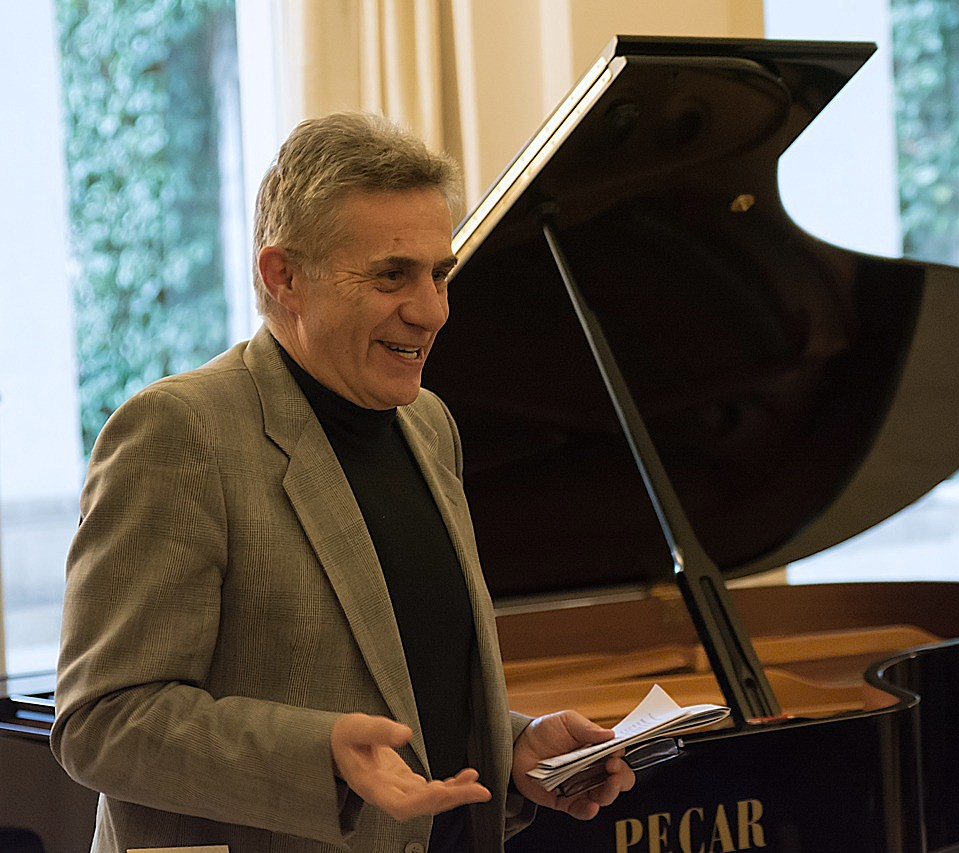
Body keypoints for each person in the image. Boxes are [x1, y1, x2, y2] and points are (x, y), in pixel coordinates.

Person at [51, 112, 634, 852]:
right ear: (284, 276)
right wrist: (319, 754)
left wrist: (513, 746)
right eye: (392, 275)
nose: (433, 311)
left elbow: (405, 679)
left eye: (440, 273)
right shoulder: (179, 430)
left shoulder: (429, 423)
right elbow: (101, 723)